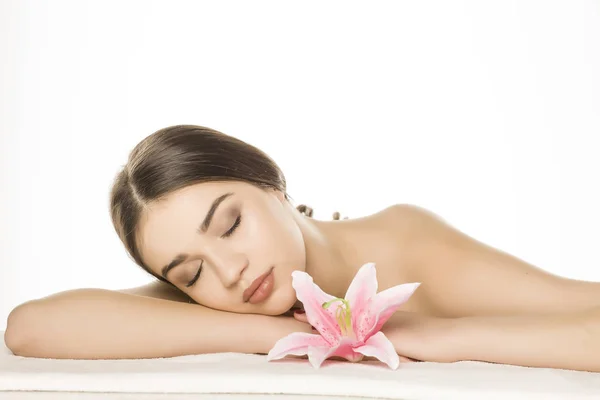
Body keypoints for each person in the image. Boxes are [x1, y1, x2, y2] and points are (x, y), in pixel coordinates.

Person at [5, 125, 600, 372]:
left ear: (273, 183)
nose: (230, 272)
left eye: (231, 223)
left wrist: (426, 336)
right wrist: (280, 336)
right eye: (189, 272)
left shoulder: (405, 241)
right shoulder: (223, 298)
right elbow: (31, 328)